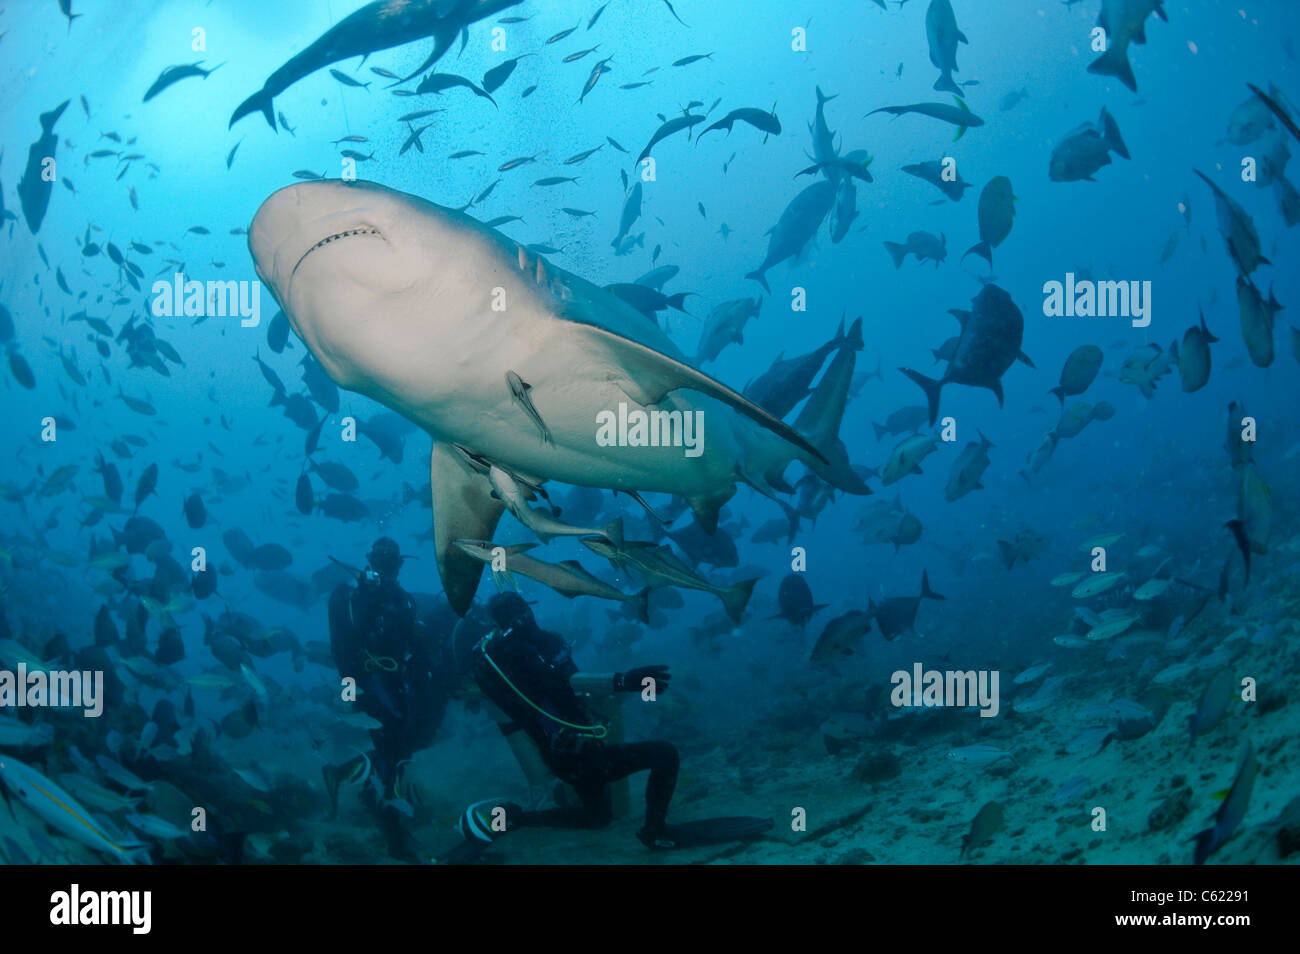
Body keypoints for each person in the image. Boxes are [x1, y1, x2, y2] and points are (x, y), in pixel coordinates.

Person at [455, 592, 771, 852]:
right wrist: (624, 681)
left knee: (597, 817)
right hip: (573, 752)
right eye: (520, 613)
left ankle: (519, 818)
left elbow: (567, 685)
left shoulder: (533, 647)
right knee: (665, 754)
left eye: (525, 609)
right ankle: (656, 831)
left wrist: (612, 693)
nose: (527, 618)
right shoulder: (518, 654)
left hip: (569, 751)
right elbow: (561, 684)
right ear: (514, 618)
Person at [326, 537, 447, 862]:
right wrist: (353, 690)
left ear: (398, 565)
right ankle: (394, 833)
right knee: (391, 744)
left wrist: (425, 683)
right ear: (372, 562)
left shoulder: (400, 598)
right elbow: (342, 646)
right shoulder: (352, 595)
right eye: (383, 563)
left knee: (399, 744)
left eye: (391, 564)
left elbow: (413, 645)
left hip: (395, 684)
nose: (387, 569)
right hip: (371, 682)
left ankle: (353, 781)